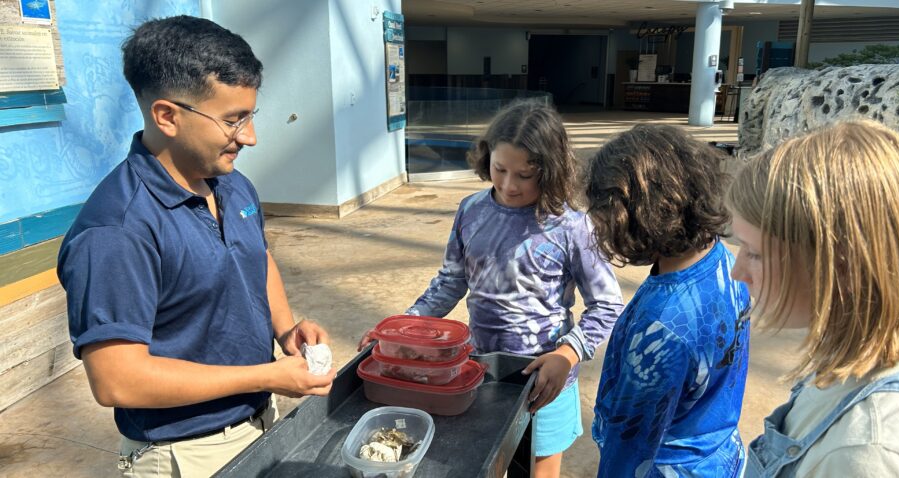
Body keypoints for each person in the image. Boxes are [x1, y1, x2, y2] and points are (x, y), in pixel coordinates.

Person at [57, 15, 334, 477]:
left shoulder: (232, 184)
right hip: (185, 452)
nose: (250, 136)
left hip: (259, 420)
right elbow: (116, 380)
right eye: (232, 120)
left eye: (250, 115)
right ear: (167, 116)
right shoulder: (116, 231)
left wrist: (287, 331)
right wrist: (266, 375)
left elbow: (257, 258)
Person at [360, 101, 623, 478]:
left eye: (525, 175)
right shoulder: (471, 211)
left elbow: (608, 305)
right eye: (500, 170)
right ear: (488, 159)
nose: (509, 185)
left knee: (539, 466)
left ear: (550, 172)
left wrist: (569, 352)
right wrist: (402, 328)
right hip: (480, 370)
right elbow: (450, 281)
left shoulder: (572, 227)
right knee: (489, 460)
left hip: (546, 377)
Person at [728, 120, 899, 477]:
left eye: (753, 253)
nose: (738, 273)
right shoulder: (850, 361)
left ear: (840, 267)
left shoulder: (869, 454)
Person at [585, 125, 752, 477]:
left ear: (635, 218)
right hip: (719, 456)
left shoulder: (659, 329)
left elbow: (630, 446)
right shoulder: (726, 262)